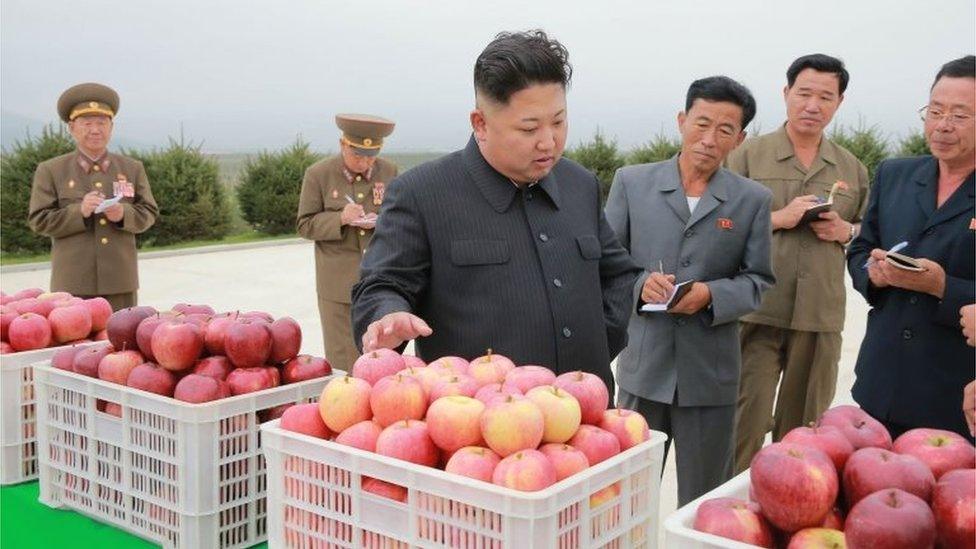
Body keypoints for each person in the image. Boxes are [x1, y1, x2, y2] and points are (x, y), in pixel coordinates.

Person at [351, 30, 641, 391]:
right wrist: (387, 314)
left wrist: (597, 345)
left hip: (587, 424)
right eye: (529, 127)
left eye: (559, 121)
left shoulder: (579, 184)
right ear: (481, 124)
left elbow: (618, 275)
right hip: (479, 433)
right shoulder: (422, 193)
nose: (549, 142)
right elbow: (381, 285)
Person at [604, 76, 774, 505]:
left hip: (710, 375)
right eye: (701, 123)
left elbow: (758, 281)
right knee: (627, 495)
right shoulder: (632, 183)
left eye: (724, 129)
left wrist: (711, 296)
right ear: (681, 121)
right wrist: (642, 284)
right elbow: (607, 266)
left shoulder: (751, 200)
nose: (709, 139)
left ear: (740, 138)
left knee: (704, 500)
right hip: (645, 368)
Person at [726, 54, 871, 472]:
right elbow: (718, 225)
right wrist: (777, 218)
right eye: (804, 93)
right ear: (786, 94)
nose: (813, 105)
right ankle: (733, 515)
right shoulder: (748, 157)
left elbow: (869, 233)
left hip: (819, 316)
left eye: (825, 96)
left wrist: (846, 230)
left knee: (804, 432)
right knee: (744, 423)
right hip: (757, 309)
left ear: (839, 103)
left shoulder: (851, 168)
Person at [847, 55, 975, 440]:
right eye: (935, 111)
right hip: (881, 382)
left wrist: (941, 287)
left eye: (960, 115)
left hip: (956, 393)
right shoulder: (895, 174)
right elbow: (860, 251)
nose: (942, 125)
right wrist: (876, 274)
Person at [28, 83, 158, 311]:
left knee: (122, 342)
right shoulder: (51, 170)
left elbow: (149, 212)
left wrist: (123, 213)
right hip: (72, 283)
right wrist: (80, 211)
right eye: (87, 123)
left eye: (101, 123)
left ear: (112, 127)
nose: (95, 130)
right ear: (71, 128)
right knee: (74, 346)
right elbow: (39, 220)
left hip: (120, 281)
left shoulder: (132, 168)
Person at [297, 114, 397, 372]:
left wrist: (382, 220)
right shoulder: (319, 174)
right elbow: (305, 224)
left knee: (380, 355)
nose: (365, 163)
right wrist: (340, 218)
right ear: (343, 145)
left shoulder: (389, 171)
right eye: (358, 156)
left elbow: (400, 215)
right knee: (343, 360)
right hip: (337, 286)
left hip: (378, 278)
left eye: (370, 156)